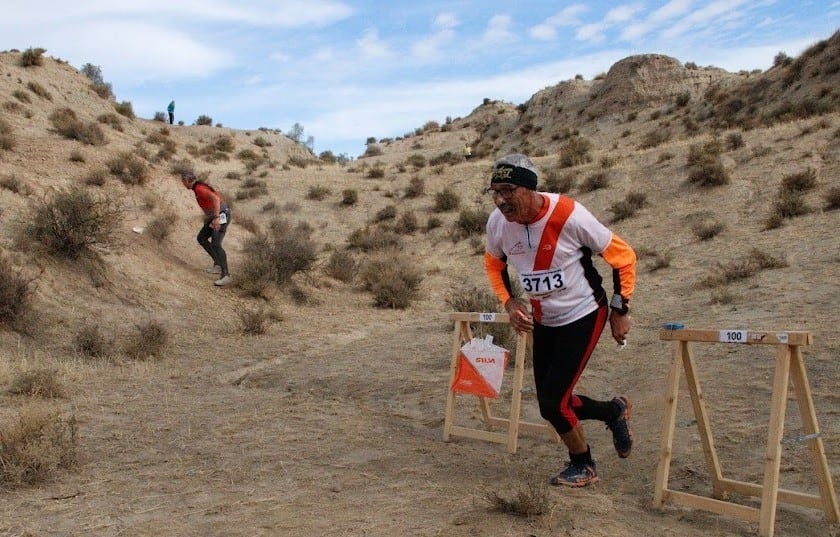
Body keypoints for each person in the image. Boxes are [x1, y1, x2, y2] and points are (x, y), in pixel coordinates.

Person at [483, 154, 636, 487]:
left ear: (529, 188)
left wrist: (619, 311)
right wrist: (509, 303)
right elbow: (494, 266)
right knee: (552, 403)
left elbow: (623, 257)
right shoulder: (497, 223)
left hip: (583, 313)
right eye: (494, 192)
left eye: (507, 191)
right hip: (544, 319)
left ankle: (583, 464)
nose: (500, 200)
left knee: (553, 404)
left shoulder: (569, 214)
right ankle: (614, 411)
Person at [180, 171, 232, 286]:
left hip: (221, 215)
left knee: (216, 243)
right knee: (202, 238)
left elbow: (215, 199)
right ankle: (218, 264)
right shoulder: (197, 188)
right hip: (214, 215)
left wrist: (216, 218)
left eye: (183, 181)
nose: (183, 184)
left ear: (187, 181)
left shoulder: (199, 189)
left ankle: (226, 275)